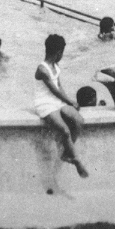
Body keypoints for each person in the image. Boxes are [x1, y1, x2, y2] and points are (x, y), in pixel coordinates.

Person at [34, 34, 88, 178]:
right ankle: (76, 159)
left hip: (56, 101)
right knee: (64, 130)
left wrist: (69, 103)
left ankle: (66, 153)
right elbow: (54, 90)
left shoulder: (55, 66)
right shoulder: (42, 69)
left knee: (78, 120)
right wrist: (70, 102)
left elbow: (60, 87)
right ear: (58, 52)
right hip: (44, 103)